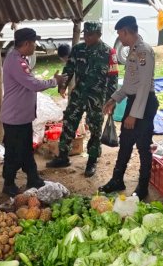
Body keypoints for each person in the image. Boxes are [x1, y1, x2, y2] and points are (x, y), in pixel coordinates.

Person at [46, 22, 118, 177]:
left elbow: (113, 78)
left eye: (90, 35)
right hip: (78, 94)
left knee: (95, 129)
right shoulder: (78, 49)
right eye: (85, 34)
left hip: (97, 98)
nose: (86, 37)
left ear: (99, 35)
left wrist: (111, 101)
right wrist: (63, 85)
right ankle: (63, 157)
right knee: (68, 123)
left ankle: (92, 161)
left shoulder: (109, 52)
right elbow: (69, 69)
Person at [1, 28, 66, 196]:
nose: (35, 45)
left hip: (20, 116)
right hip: (15, 117)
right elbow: (33, 85)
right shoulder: (16, 61)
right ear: (27, 43)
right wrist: (54, 81)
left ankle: (32, 177)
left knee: (25, 149)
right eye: (34, 42)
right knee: (13, 152)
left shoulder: (19, 59)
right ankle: (8, 183)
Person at [100, 16, 158, 199]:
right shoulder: (133, 51)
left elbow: (143, 85)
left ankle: (142, 187)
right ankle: (117, 179)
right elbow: (129, 84)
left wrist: (133, 115)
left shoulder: (143, 52)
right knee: (125, 142)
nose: (120, 38)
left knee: (143, 146)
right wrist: (113, 99)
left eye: (120, 34)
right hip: (134, 102)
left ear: (126, 31)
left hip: (144, 104)